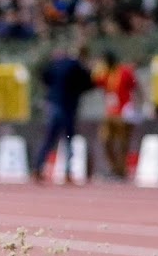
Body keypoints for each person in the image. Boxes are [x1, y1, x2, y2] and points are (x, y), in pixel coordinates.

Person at [32, 46, 93, 183]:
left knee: (49, 138)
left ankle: (38, 167)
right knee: (68, 138)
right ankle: (67, 172)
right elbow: (88, 82)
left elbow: (43, 76)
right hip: (68, 106)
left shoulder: (54, 64)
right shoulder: (76, 65)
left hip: (53, 104)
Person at [92, 51, 141, 179]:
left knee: (123, 142)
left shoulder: (125, 71)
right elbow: (94, 80)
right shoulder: (105, 73)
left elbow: (136, 88)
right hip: (110, 113)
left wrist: (138, 107)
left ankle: (121, 170)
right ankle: (113, 167)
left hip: (124, 112)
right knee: (105, 140)